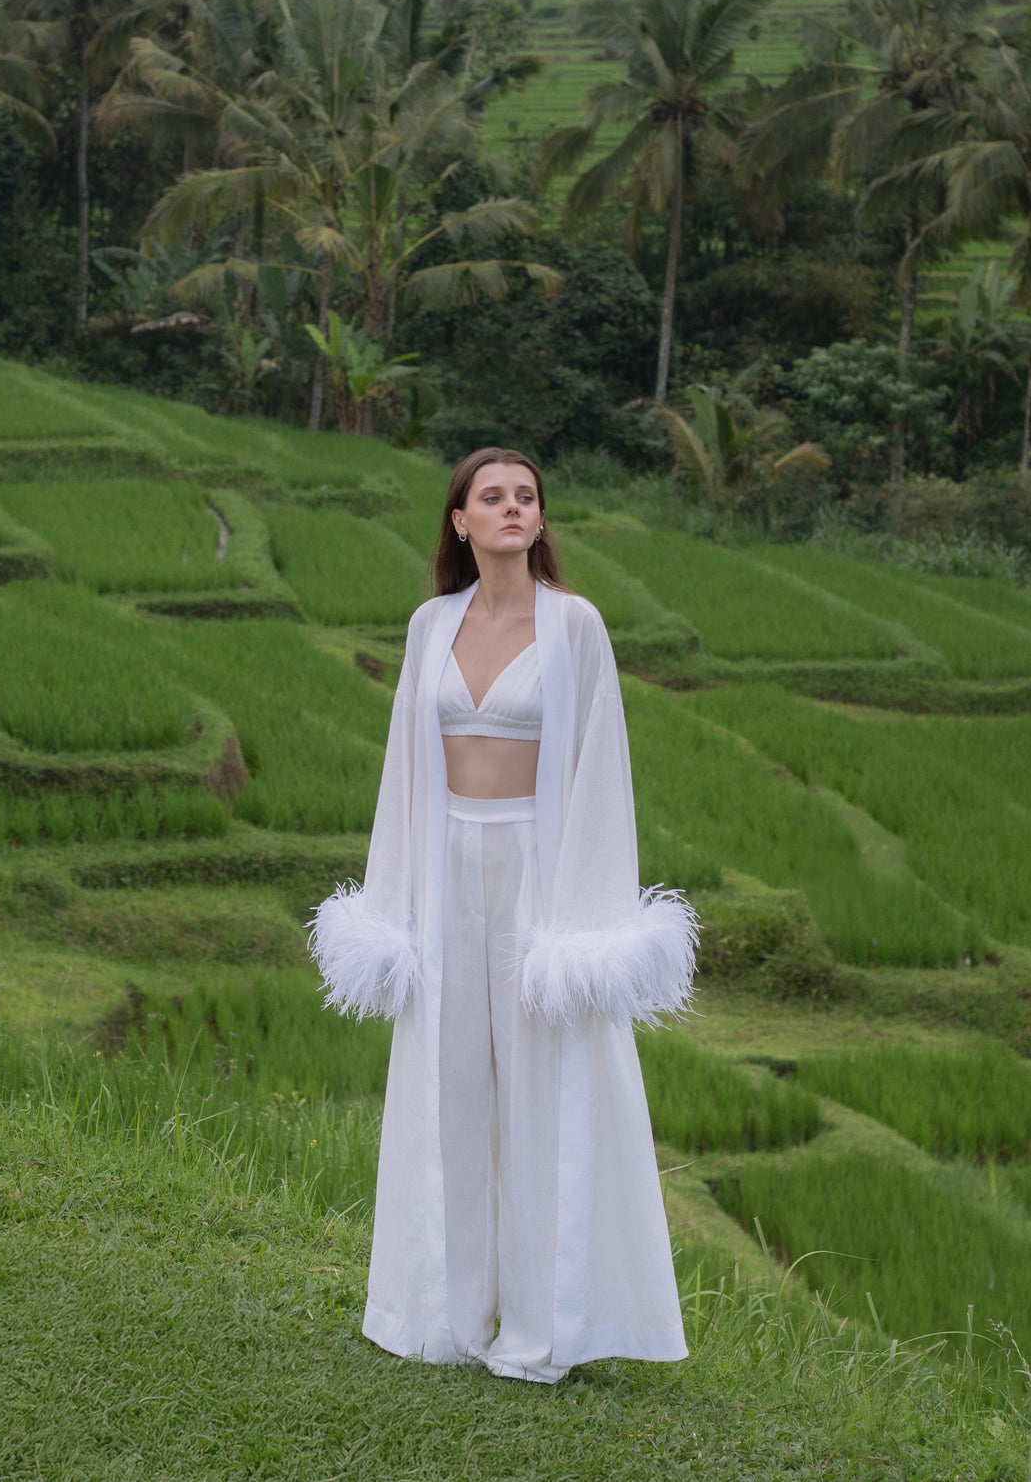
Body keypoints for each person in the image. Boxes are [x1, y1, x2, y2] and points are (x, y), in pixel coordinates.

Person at [309, 445, 697, 1382]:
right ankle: (438, 1315)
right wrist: (395, 902)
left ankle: (541, 1328)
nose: (513, 507)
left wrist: (581, 923)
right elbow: (406, 769)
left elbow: (599, 771)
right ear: (460, 521)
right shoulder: (429, 625)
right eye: (493, 496)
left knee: (542, 1092)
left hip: (538, 870)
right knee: (447, 1087)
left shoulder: (575, 627)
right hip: (444, 872)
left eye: (527, 495)